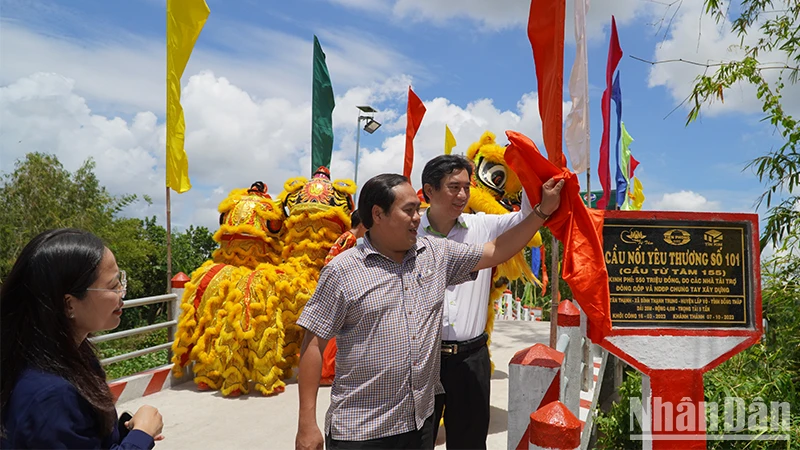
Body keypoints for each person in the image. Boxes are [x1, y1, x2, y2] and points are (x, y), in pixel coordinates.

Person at [295, 173, 563, 450]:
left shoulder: (435, 254)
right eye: (409, 210)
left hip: (419, 426)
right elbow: (314, 343)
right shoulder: (342, 271)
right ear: (378, 214)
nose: (417, 217)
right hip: (361, 431)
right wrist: (306, 423)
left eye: (418, 209)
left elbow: (495, 250)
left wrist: (542, 212)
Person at [1, 228, 164, 449]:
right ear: (69, 304)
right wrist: (142, 435)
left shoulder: (70, 354)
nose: (122, 293)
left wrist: (126, 432)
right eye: (113, 285)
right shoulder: (51, 396)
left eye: (121, 281)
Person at [419, 154, 538, 449]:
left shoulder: (481, 227)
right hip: (421, 357)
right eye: (453, 187)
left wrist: (528, 172)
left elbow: (526, 218)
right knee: (415, 440)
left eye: (466, 187)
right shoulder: (410, 231)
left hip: (470, 358)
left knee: (470, 443)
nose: (462, 195)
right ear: (429, 190)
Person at [320, 209, 367, 386]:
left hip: (332, 285)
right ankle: (326, 371)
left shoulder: (345, 237)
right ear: (362, 224)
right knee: (335, 333)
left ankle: (326, 371)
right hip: (338, 287)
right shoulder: (352, 240)